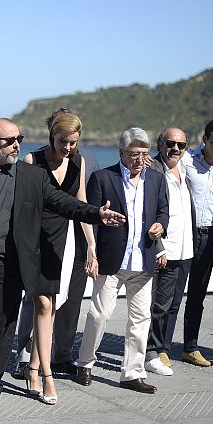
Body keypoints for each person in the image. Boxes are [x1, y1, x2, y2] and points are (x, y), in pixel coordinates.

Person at [0, 118, 125, 409]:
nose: (17, 144)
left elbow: (64, 203)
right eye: (9, 140)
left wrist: (96, 214)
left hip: (5, 267)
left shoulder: (32, 176)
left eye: (19, 138)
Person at [75, 128, 168, 394]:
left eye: (143, 154)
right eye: (133, 154)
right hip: (111, 259)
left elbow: (163, 210)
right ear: (121, 153)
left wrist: (160, 226)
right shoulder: (103, 178)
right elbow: (90, 217)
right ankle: (85, 362)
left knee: (140, 320)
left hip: (143, 260)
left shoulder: (156, 179)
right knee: (100, 314)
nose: (139, 159)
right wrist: (90, 253)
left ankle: (132, 373)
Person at [14, 109, 97, 405]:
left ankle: (34, 369)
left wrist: (91, 246)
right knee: (43, 304)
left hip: (66, 242)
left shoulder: (79, 162)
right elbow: (21, 210)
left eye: (74, 142)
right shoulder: (31, 162)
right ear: (52, 136)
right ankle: (46, 376)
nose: (69, 148)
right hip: (36, 242)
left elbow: (82, 204)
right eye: (64, 142)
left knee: (50, 309)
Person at [181, 119, 213, 367]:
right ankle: (155, 347)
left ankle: (190, 347)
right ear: (204, 139)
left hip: (212, 236)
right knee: (170, 294)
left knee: (198, 294)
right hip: (185, 233)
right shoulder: (187, 159)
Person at [144, 128, 195, 375]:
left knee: (169, 304)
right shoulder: (151, 169)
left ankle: (159, 348)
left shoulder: (186, 169)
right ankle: (149, 352)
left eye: (181, 145)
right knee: (152, 304)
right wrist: (158, 248)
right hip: (162, 248)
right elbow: (148, 211)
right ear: (160, 144)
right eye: (170, 143)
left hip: (183, 249)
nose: (175, 148)